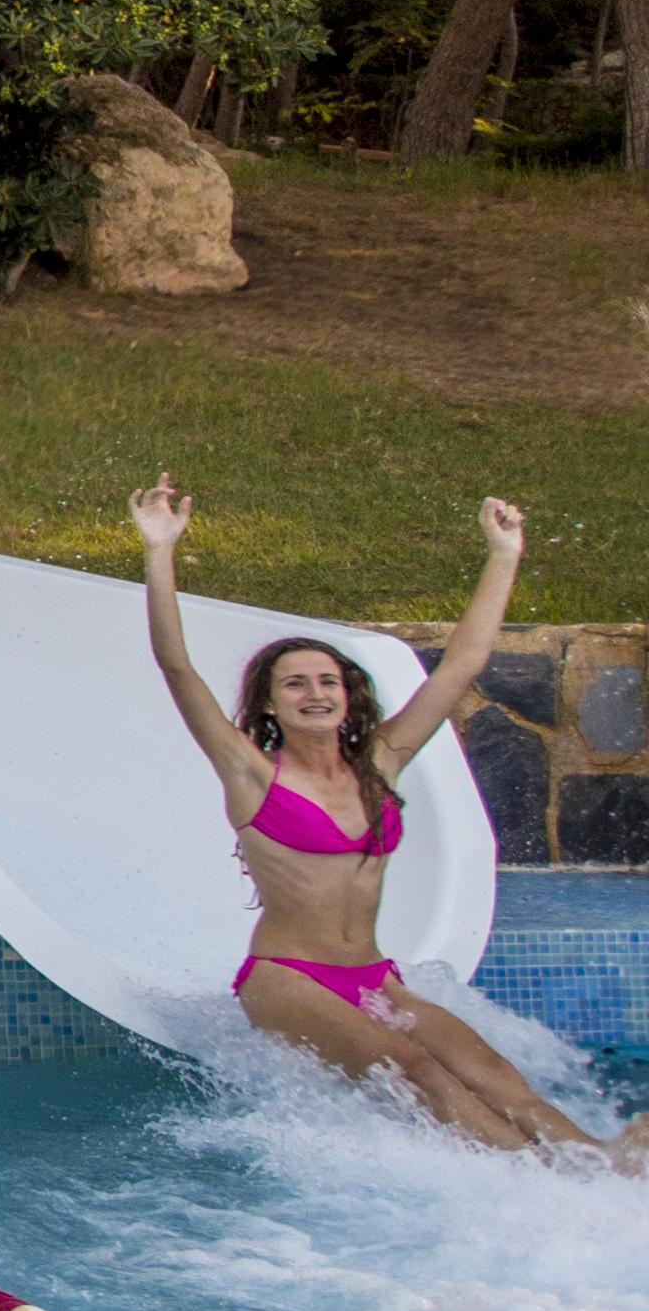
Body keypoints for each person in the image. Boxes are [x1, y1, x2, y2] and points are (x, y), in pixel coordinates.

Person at [133, 476, 637, 1163]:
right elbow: (175, 665)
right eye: (296, 683)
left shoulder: (382, 763)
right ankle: (545, 1177)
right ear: (271, 705)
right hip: (290, 977)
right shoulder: (251, 772)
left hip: (374, 976)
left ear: (348, 697)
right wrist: (160, 551)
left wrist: (504, 554)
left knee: (496, 1077)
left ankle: (600, 1164)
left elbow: (464, 663)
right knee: (422, 1072)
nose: (316, 692)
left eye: (328, 681)